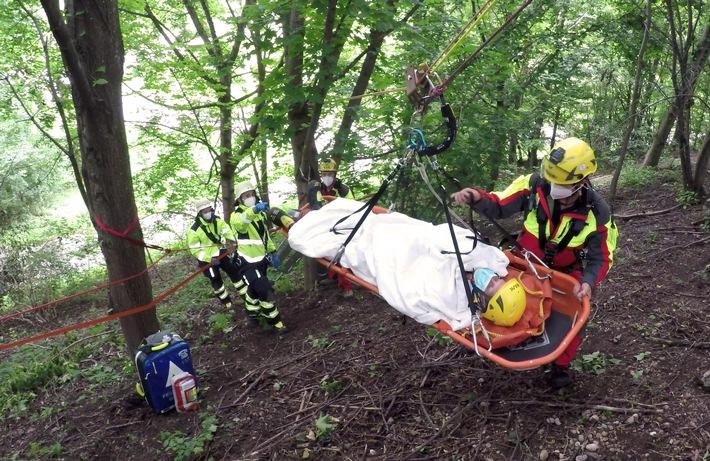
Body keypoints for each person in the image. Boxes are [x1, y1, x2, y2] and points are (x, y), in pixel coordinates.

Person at [452, 137, 618, 389]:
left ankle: (560, 368)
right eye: (551, 181)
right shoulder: (534, 186)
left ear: (581, 182)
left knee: (574, 317)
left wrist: (588, 281)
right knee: (492, 295)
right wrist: (476, 197)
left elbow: (602, 257)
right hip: (523, 261)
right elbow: (499, 205)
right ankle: (492, 339)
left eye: (561, 184)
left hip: (564, 271)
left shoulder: (598, 213)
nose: (554, 188)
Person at [230, 181, 294, 332]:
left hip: (261, 260)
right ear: (239, 199)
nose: (250, 197)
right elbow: (243, 222)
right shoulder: (236, 216)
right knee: (265, 290)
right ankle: (276, 323)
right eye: (246, 195)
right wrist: (254, 210)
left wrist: (272, 252)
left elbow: (264, 236)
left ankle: (252, 316)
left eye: (252, 194)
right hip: (246, 262)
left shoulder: (258, 215)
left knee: (254, 290)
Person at [308, 158, 355, 297]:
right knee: (322, 252)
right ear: (321, 175)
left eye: (330, 174)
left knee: (341, 254)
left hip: (341, 225)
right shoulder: (317, 188)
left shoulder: (342, 188)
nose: (327, 177)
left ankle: (347, 286)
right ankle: (327, 279)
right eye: (325, 174)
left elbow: (352, 206)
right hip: (323, 225)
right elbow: (316, 206)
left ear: (335, 175)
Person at [187, 199, 241, 309]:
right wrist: (208, 259)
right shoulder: (194, 230)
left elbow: (226, 230)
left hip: (221, 252)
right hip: (208, 260)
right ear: (200, 213)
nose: (208, 213)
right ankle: (226, 301)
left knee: (234, 271)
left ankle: (245, 293)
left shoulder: (217, 220)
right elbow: (195, 250)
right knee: (215, 280)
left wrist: (232, 240)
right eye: (204, 211)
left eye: (209, 210)